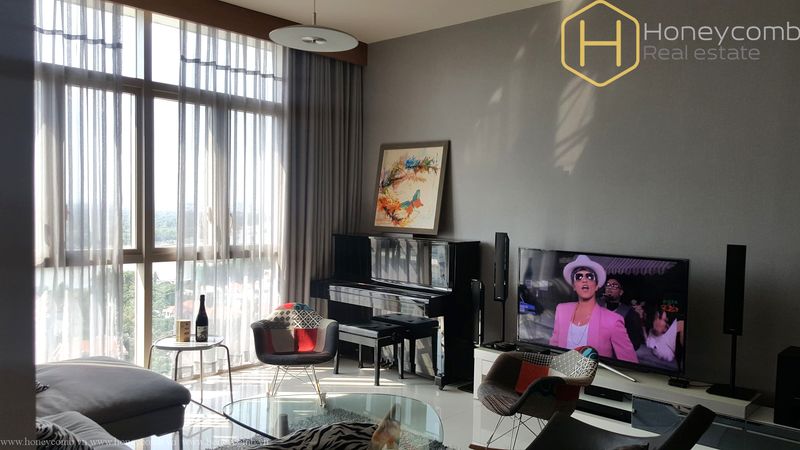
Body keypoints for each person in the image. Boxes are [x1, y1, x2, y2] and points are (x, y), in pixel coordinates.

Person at [549, 255, 639, 363]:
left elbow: (630, 364)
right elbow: (553, 348)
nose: (584, 280)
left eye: (590, 276)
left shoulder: (613, 320)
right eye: (579, 277)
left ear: (597, 286)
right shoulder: (562, 310)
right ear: (574, 286)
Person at [600, 278, 645, 350]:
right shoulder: (597, 307)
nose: (610, 287)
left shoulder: (628, 313)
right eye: (608, 285)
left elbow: (635, 342)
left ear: (621, 292)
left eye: (614, 286)